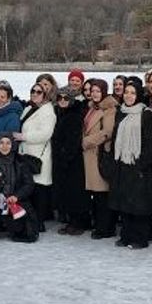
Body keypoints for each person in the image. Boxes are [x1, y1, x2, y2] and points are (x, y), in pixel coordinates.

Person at [109, 78, 152, 249]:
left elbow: (150, 143)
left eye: (133, 93)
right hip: (123, 163)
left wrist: (142, 165)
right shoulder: (121, 112)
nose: (129, 96)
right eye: (126, 92)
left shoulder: (146, 114)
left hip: (139, 165)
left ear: (139, 95)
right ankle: (126, 235)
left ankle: (140, 238)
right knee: (125, 201)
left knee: (140, 204)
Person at [82, 79, 118, 239]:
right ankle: (99, 225)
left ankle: (106, 228)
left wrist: (88, 141)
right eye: (93, 91)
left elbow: (108, 131)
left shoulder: (109, 108)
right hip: (90, 155)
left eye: (98, 91)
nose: (95, 94)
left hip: (99, 153)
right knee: (96, 194)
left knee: (102, 193)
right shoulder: (92, 107)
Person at [17, 83, 56, 227]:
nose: (34, 94)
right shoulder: (29, 108)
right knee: (29, 187)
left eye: (39, 92)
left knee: (39, 190)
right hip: (26, 153)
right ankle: (31, 220)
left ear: (45, 95)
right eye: (32, 91)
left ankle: (39, 222)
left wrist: (24, 136)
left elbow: (45, 134)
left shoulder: (48, 112)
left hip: (39, 155)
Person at [52, 86, 89, 234]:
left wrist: (64, 156)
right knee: (68, 192)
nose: (62, 100)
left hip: (72, 162)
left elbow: (73, 141)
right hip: (64, 160)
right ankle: (72, 221)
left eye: (66, 98)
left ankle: (78, 223)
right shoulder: (62, 113)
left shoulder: (74, 115)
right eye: (59, 98)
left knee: (75, 193)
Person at [0, 133, 39, 242]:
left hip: (16, 200)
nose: (4, 146)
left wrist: (17, 196)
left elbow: (29, 184)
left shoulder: (20, 162)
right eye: (1, 143)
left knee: (26, 232)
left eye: (8, 143)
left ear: (13, 145)